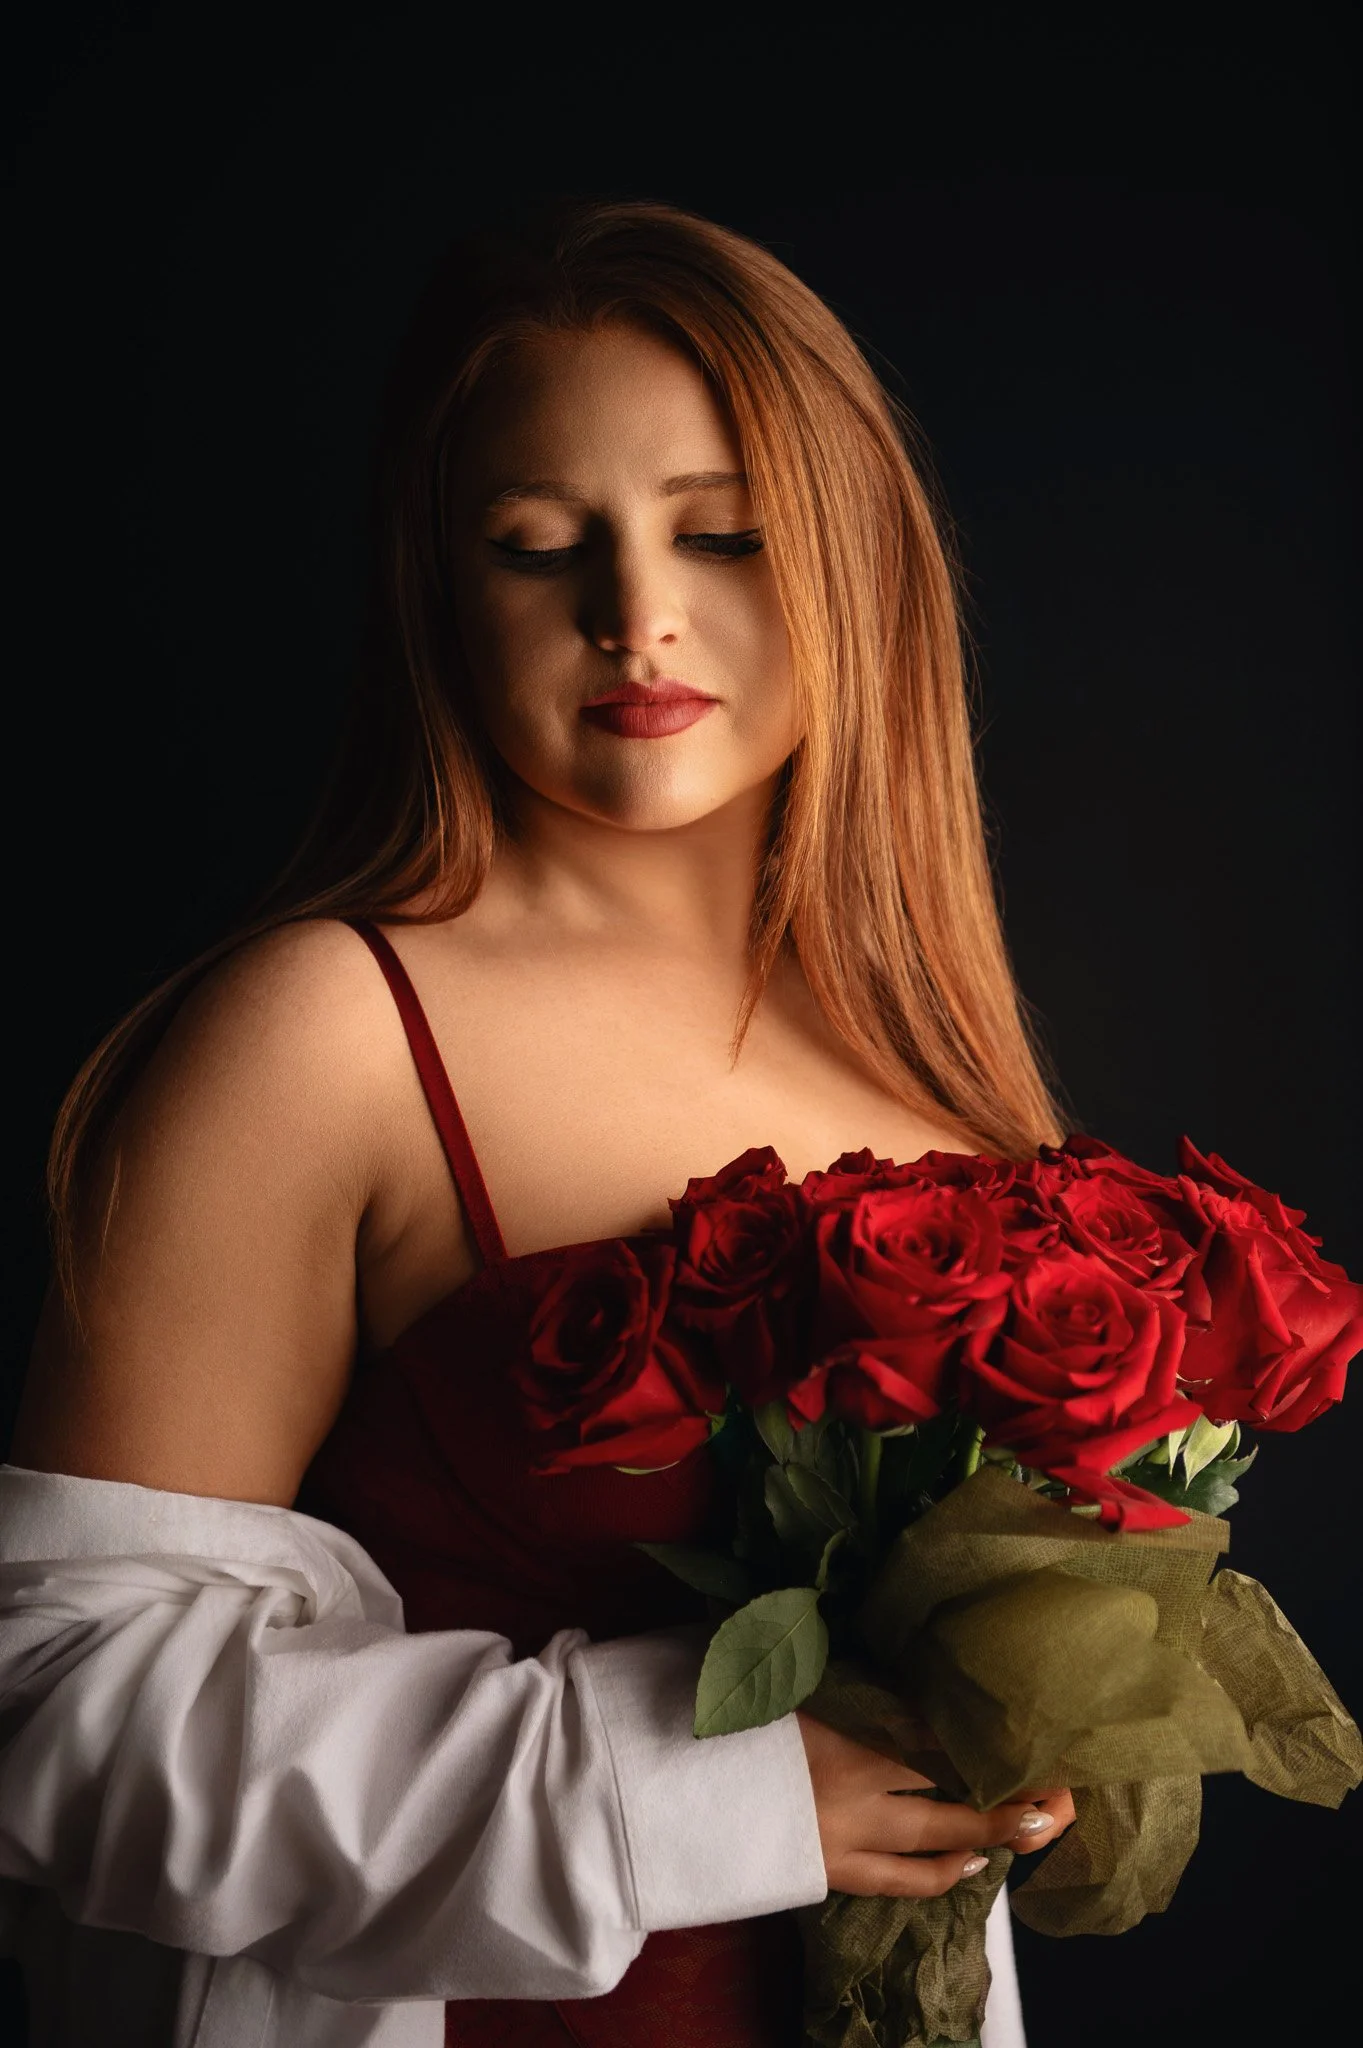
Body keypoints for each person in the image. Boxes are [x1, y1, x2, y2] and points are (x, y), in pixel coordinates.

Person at [0, 201, 1075, 2047]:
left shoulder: (948, 1091)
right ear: (438, 591)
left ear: (855, 559)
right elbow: (49, 1707)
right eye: (533, 547)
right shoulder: (326, 1033)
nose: (634, 614)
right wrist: (696, 1787)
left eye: (720, 530)